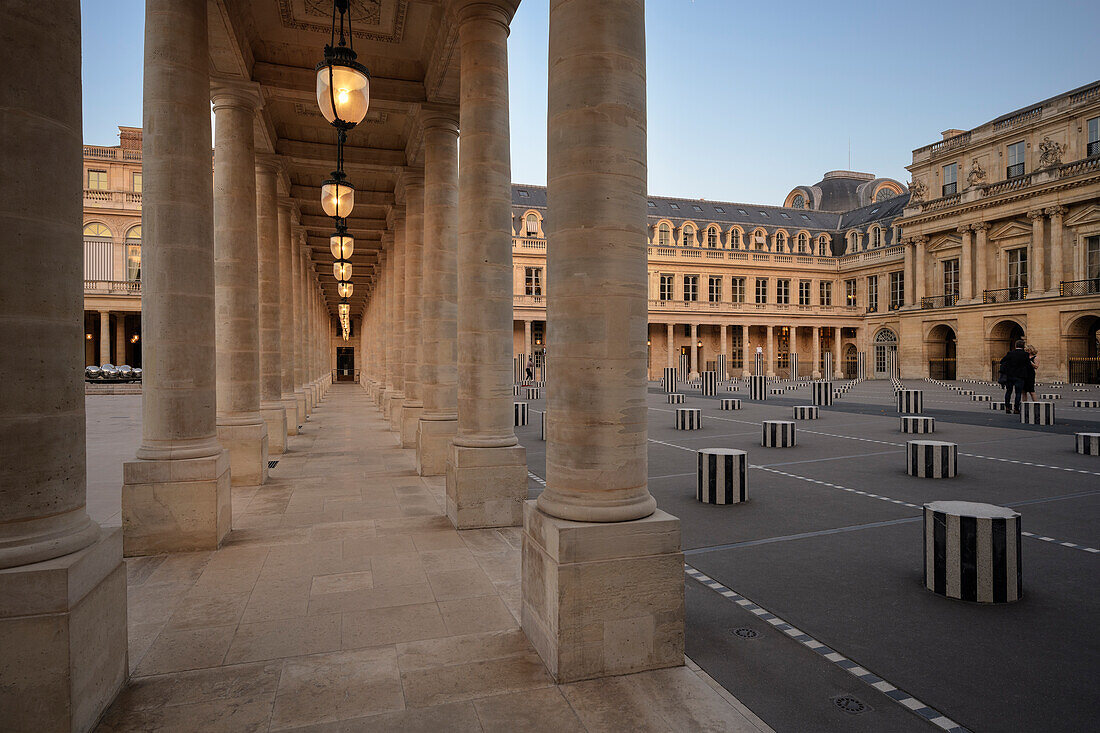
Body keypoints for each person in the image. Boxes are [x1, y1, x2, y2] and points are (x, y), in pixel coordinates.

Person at [999, 339, 1030, 414]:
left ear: (1015, 345)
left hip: (1010, 375)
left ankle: (1007, 407)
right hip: (1020, 376)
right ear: (1023, 346)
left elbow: (1002, 361)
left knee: (1009, 391)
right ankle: (1016, 409)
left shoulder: (1010, 353)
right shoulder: (1025, 354)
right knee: (1018, 393)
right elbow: (1028, 365)